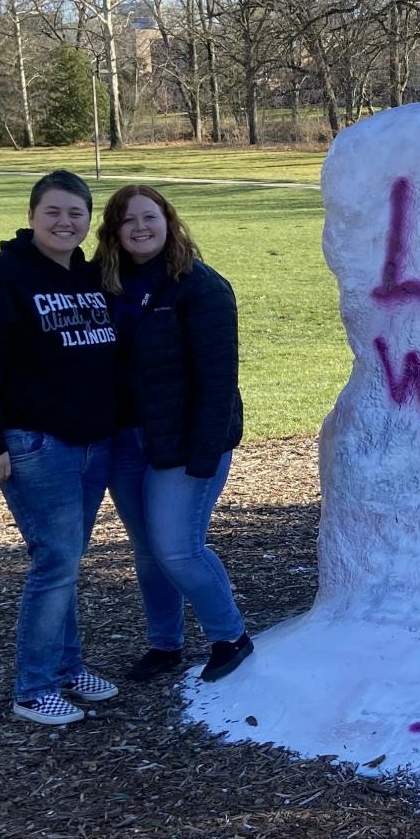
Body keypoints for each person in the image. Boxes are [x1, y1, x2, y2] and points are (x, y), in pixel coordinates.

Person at [0, 169, 120, 726]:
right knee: (55, 562)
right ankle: (34, 687)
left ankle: (68, 668)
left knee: (66, 561)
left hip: (92, 442)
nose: (65, 222)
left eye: (76, 213)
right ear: (31, 215)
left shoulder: (92, 276)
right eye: (53, 212)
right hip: (34, 443)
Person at [92, 183, 253, 684]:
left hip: (185, 444)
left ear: (169, 221)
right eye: (128, 220)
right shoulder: (106, 284)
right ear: (114, 231)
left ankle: (230, 636)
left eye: (150, 217)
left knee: (179, 549)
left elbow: (218, 379)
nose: (141, 228)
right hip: (127, 439)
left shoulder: (200, 286)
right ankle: (165, 644)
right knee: (146, 551)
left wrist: (203, 455)